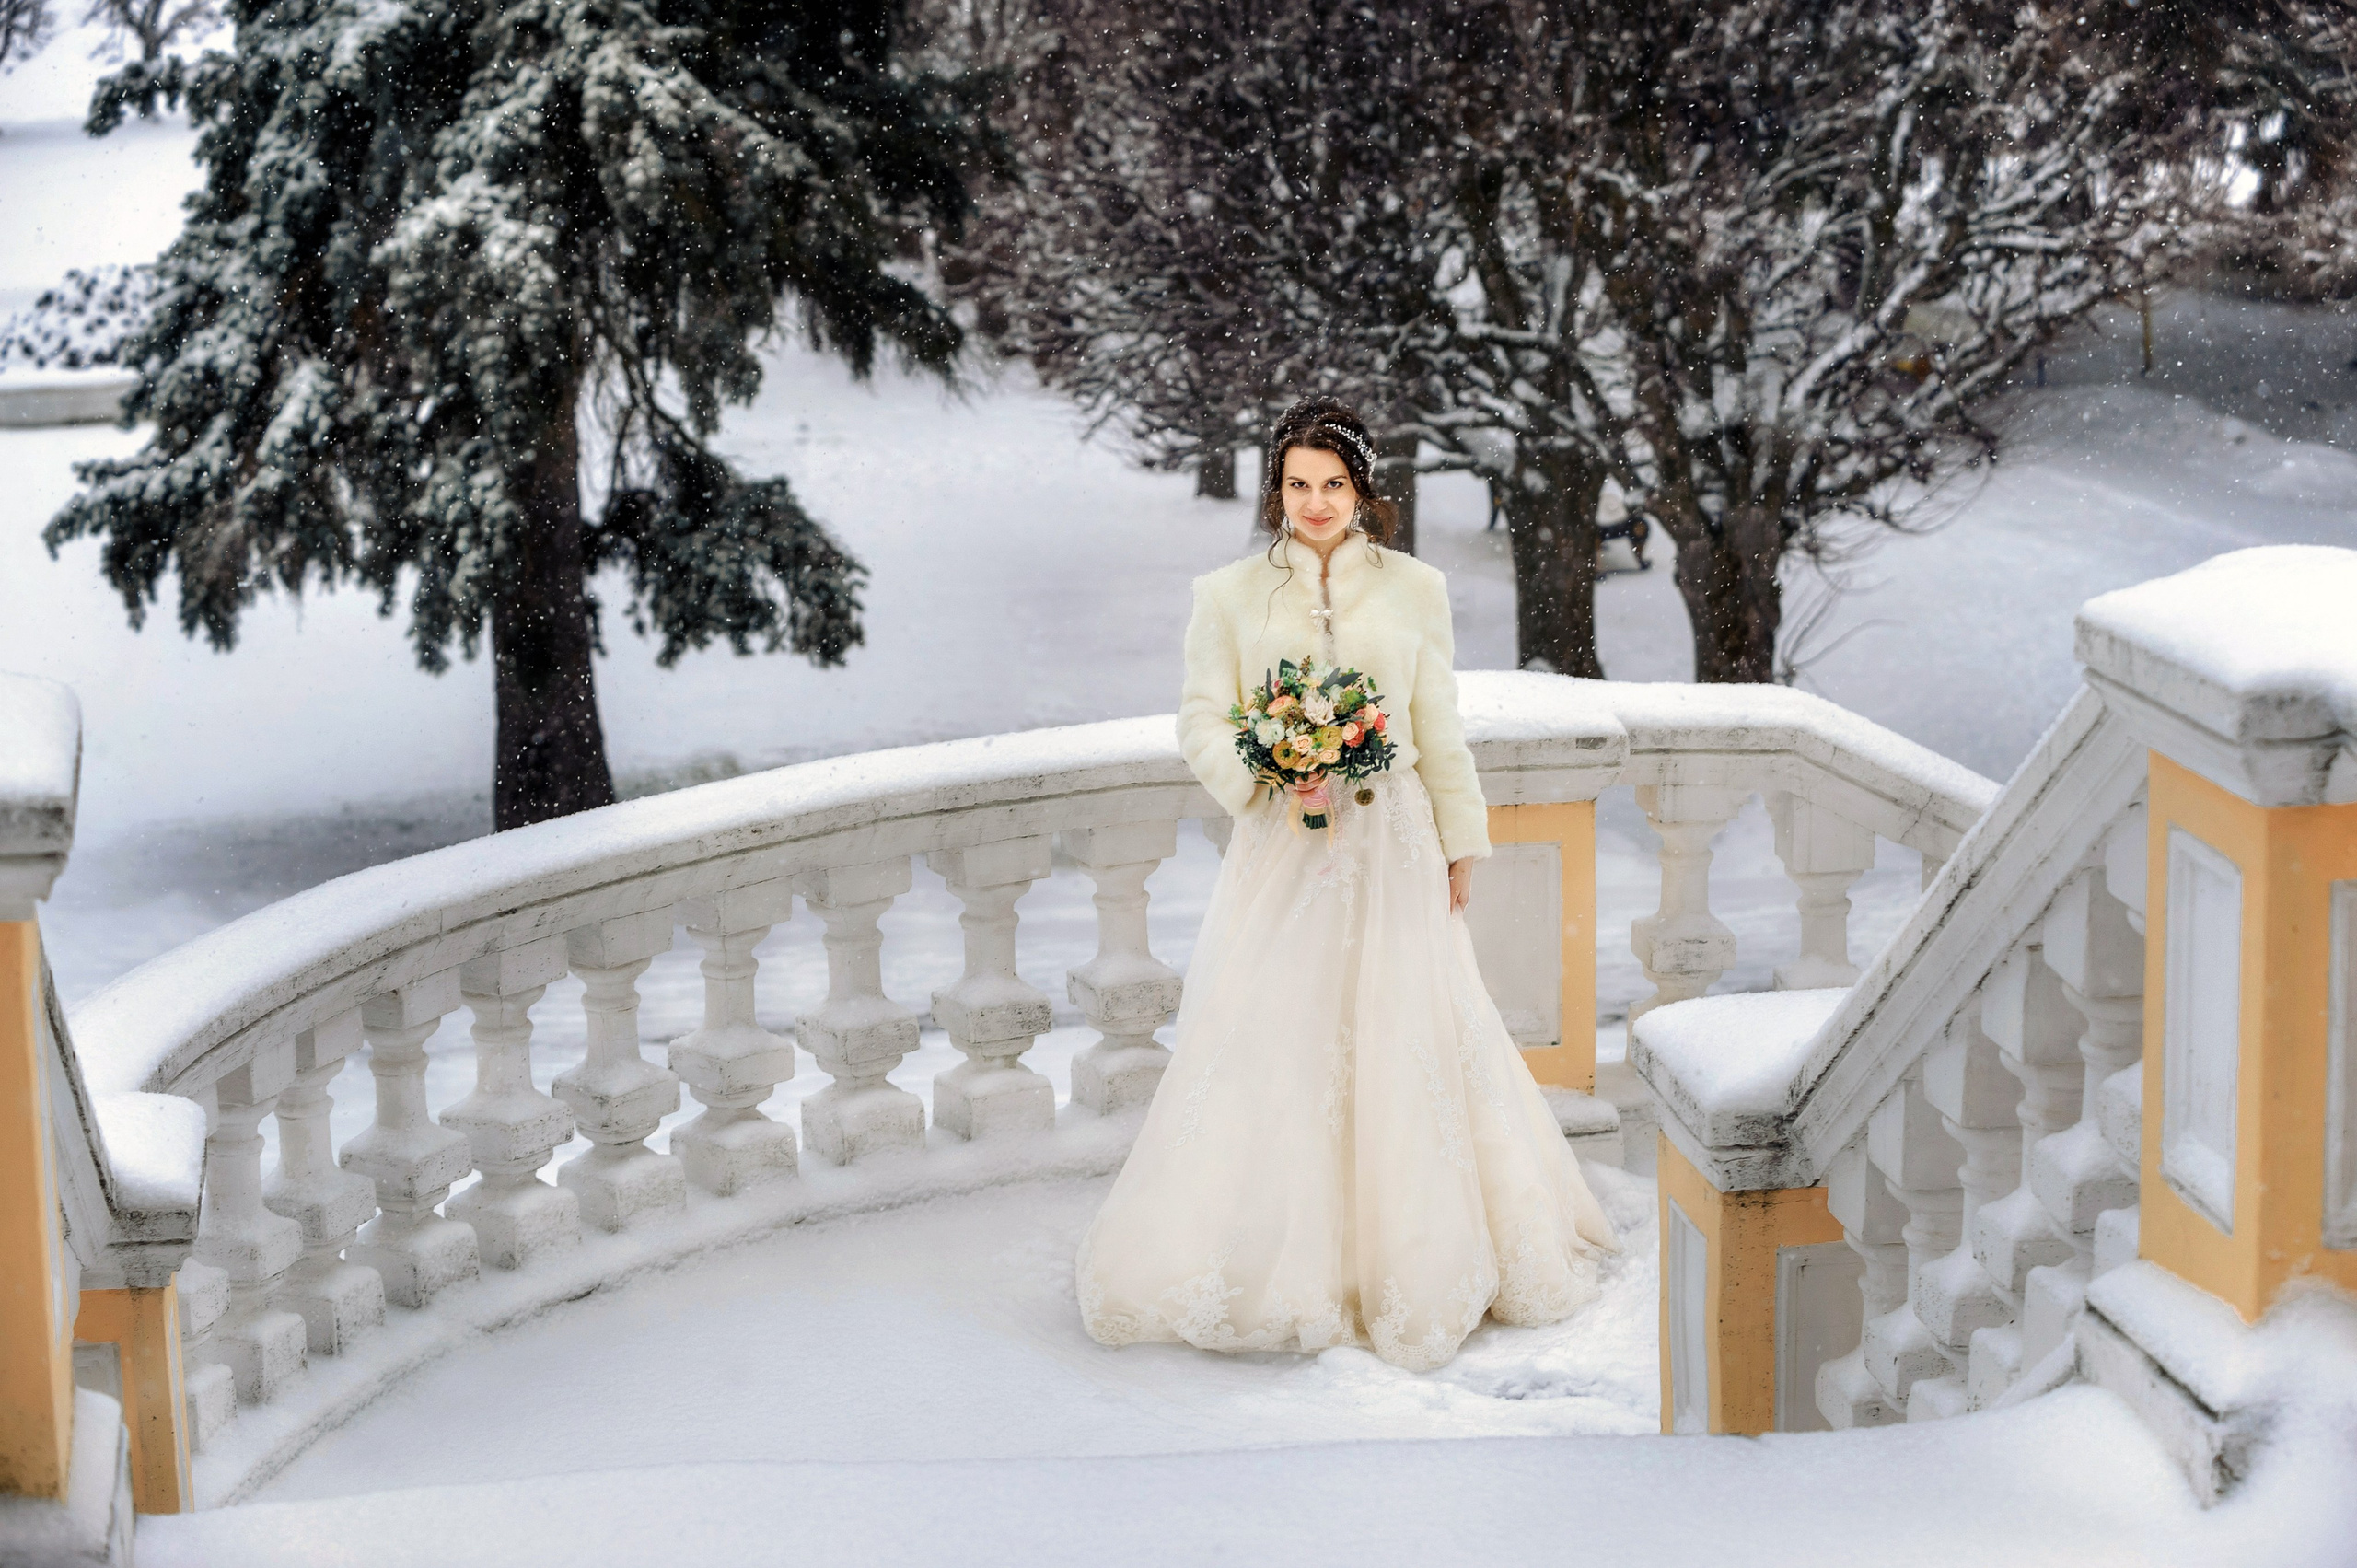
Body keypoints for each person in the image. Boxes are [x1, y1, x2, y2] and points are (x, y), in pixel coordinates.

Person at [1075, 396, 1619, 1372]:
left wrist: (1463, 838)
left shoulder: (1416, 588)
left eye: (1333, 484)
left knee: (1411, 1028)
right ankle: (1276, 1249)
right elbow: (1202, 717)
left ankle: (1416, 1250)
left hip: (1396, 842)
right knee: (1275, 1031)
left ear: (1363, 490)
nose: (1315, 502)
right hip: (1286, 848)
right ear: (1275, 489)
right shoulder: (1228, 593)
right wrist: (1268, 768)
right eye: (1296, 484)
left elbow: (1437, 723)